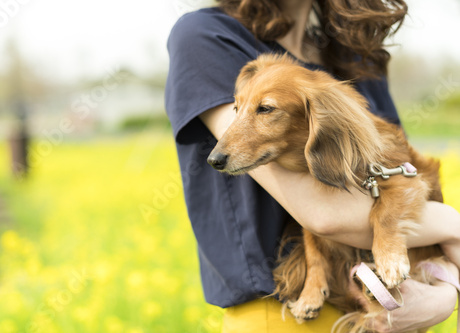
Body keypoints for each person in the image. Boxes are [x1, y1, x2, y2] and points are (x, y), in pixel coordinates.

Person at [165, 0, 460, 332]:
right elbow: (324, 213)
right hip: (287, 316)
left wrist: (444, 294)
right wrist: (452, 224)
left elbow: (400, 172)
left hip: (396, 311)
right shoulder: (207, 37)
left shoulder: (356, 52)